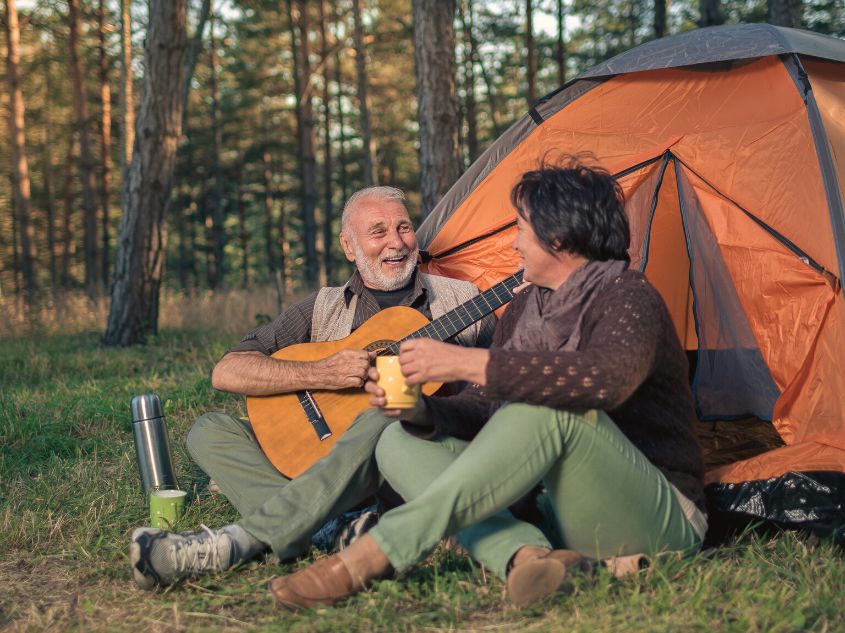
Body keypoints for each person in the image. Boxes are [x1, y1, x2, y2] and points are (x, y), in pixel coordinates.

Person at [268, 160, 707, 610]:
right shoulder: (524, 311)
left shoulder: (627, 295)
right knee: (397, 443)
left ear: (557, 238)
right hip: (555, 510)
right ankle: (528, 558)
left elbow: (605, 381)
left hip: (652, 513)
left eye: (521, 228)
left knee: (543, 406)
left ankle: (375, 553)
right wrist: (422, 413)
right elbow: (483, 407)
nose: (514, 242)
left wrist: (469, 360)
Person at [129, 186, 495, 590]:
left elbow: (496, 390)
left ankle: (262, 534)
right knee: (210, 429)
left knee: (386, 407)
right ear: (349, 247)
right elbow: (228, 371)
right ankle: (329, 527)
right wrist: (321, 373)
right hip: (318, 447)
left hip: (398, 457)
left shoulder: (465, 302)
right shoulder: (324, 306)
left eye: (404, 227)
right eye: (378, 232)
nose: (396, 242)